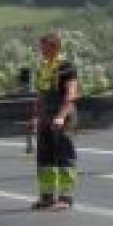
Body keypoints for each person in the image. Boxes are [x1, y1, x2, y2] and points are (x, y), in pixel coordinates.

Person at [30, 32, 79, 210]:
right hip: (45, 116)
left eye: (44, 47)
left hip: (61, 117)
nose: (41, 50)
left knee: (64, 157)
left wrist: (61, 116)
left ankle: (66, 198)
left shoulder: (67, 66)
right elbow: (40, 95)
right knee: (44, 158)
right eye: (40, 47)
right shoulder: (43, 67)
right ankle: (47, 197)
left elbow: (71, 94)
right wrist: (35, 116)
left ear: (55, 47)